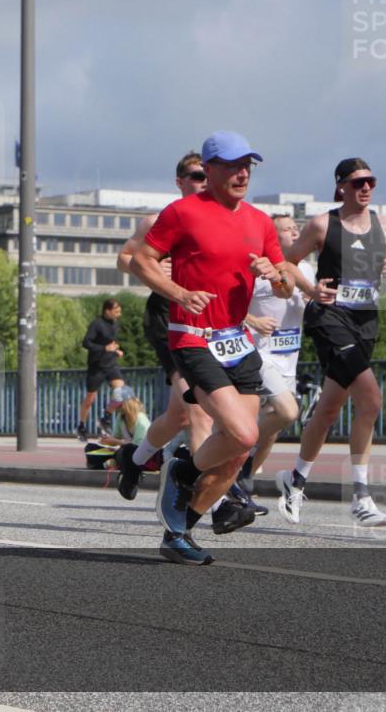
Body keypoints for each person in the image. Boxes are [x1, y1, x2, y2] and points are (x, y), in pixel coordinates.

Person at [130, 130, 296, 565]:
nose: (243, 173)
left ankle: (179, 531)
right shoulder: (183, 212)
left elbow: (285, 284)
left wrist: (276, 276)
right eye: (233, 166)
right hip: (192, 337)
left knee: (237, 450)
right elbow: (141, 261)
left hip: (236, 340)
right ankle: (182, 470)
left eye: (248, 166)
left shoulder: (259, 221)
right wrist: (179, 293)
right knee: (244, 433)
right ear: (210, 169)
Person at [277, 158, 386, 527]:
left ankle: (295, 480)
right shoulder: (322, 224)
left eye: (371, 182)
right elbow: (286, 263)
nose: (366, 188)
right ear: (341, 187)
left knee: (329, 408)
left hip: (366, 324)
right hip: (330, 319)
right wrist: (310, 289)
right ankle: (361, 496)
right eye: (358, 182)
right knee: (372, 399)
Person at [114, 151, 214, 499]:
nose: (203, 182)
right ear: (180, 182)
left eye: (207, 175)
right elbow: (124, 258)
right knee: (198, 412)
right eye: (196, 176)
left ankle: (133, 459)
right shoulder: (159, 220)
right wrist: (154, 269)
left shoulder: (219, 220)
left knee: (178, 416)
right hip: (168, 319)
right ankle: (212, 498)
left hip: (206, 318)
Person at [239, 215, 316, 488]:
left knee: (273, 428)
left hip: (288, 357)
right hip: (258, 354)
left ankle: (244, 478)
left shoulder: (305, 269)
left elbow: (309, 309)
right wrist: (254, 321)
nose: (295, 233)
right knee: (286, 412)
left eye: (297, 228)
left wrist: (313, 302)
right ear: (272, 236)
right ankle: (234, 447)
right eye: (287, 229)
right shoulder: (257, 267)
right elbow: (228, 307)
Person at [76, 299, 124, 441]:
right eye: (116, 311)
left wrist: (116, 350)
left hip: (111, 364)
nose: (118, 314)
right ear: (107, 311)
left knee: (120, 391)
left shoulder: (115, 324)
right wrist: (104, 348)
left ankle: (106, 417)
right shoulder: (96, 324)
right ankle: (81, 426)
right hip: (96, 366)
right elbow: (86, 342)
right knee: (90, 399)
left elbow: (110, 342)